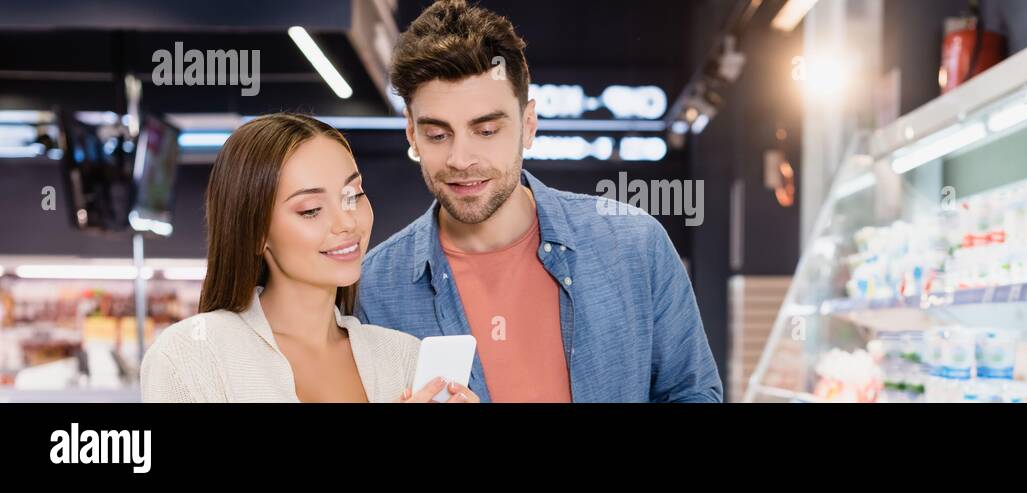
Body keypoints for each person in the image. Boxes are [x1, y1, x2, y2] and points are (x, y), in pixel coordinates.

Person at [357, 0, 723, 402]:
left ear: (528, 125)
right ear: (412, 133)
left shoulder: (635, 246)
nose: (460, 159)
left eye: (487, 130)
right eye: (438, 135)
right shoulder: (375, 289)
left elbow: (692, 392)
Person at [140, 113, 478, 403]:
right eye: (311, 210)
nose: (347, 222)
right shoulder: (190, 356)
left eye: (353, 195)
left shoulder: (404, 358)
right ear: (256, 232)